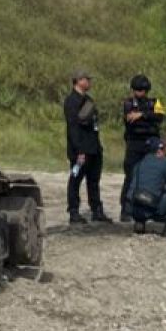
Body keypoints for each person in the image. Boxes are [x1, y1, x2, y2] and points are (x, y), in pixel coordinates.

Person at [63, 69, 112, 224]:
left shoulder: (88, 99)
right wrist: (79, 151)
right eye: (86, 79)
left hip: (94, 148)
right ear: (78, 80)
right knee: (76, 179)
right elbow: (73, 128)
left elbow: (94, 124)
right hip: (81, 150)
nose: (89, 82)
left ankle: (96, 210)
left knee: (94, 180)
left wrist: (98, 147)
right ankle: (74, 212)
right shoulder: (71, 101)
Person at [119, 74, 165, 222]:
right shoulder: (128, 103)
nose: (141, 93)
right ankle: (125, 210)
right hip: (134, 143)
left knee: (157, 175)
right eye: (138, 90)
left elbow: (160, 116)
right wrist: (145, 116)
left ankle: (158, 209)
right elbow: (130, 118)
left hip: (151, 142)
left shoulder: (155, 101)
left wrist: (142, 115)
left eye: (143, 90)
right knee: (131, 175)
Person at [126, 137, 166, 237]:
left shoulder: (138, 164)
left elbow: (131, 190)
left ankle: (140, 223)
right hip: (153, 207)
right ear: (159, 151)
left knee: (142, 196)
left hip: (135, 208)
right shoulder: (163, 163)